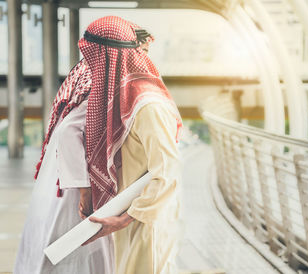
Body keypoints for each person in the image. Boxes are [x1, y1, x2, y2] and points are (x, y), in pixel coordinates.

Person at [77, 16, 183, 274]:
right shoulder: (124, 101)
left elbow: (168, 173)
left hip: (146, 222)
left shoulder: (148, 107)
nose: (89, 66)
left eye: (94, 58)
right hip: (130, 217)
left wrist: (124, 220)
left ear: (110, 58)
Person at [14, 59, 115, 274]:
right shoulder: (101, 82)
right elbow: (69, 132)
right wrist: (85, 190)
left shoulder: (83, 77)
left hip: (59, 182)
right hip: (75, 187)